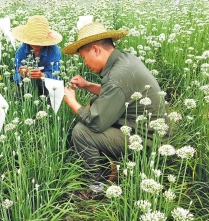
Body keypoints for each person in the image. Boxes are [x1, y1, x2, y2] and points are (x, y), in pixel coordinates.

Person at [62, 22, 167, 181]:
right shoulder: (125, 59)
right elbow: (118, 93)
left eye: (84, 57)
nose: (85, 63)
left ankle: (96, 184)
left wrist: (72, 102)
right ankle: (109, 162)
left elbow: (96, 121)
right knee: (94, 101)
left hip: (147, 140)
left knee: (81, 132)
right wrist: (88, 85)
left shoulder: (116, 77)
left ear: (96, 50)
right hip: (151, 129)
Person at [11, 15, 62, 96]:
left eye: (39, 41)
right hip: (27, 85)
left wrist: (42, 76)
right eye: (33, 40)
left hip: (47, 85)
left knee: (53, 95)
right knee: (16, 93)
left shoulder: (54, 51)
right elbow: (16, 76)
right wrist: (22, 75)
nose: (35, 44)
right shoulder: (21, 50)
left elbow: (56, 75)